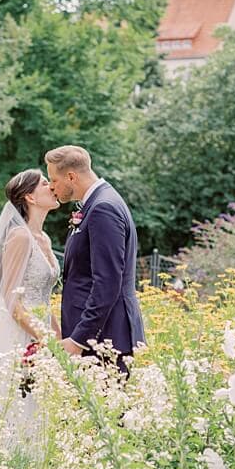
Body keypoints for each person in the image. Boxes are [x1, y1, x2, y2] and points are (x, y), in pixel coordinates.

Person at [0, 169, 61, 437]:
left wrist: (60, 339)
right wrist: (44, 339)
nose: (52, 187)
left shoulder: (44, 239)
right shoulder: (20, 237)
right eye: (45, 184)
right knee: (16, 405)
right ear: (30, 197)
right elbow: (11, 300)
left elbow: (43, 298)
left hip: (40, 332)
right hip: (19, 334)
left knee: (37, 407)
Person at [45, 144, 145, 375]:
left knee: (106, 410)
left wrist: (79, 339)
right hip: (98, 337)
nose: (51, 186)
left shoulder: (103, 208)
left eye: (54, 180)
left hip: (105, 338)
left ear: (71, 176)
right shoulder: (97, 203)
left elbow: (107, 283)